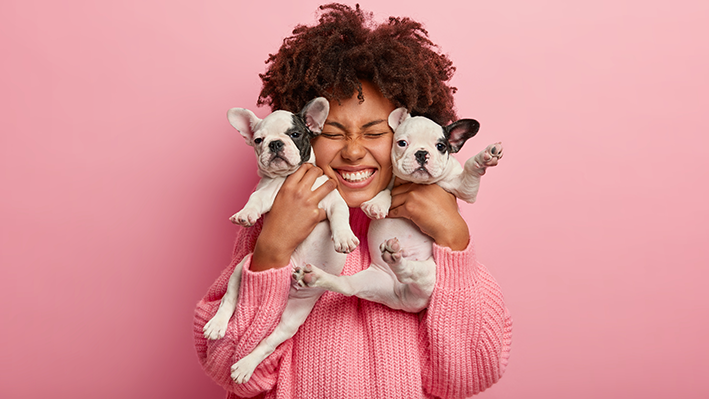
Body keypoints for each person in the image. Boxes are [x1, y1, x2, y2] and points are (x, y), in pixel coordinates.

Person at [194, 4, 512, 398]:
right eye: (333, 132)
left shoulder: (432, 232)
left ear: (405, 131)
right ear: (306, 131)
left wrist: (454, 239)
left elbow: (471, 372)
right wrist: (273, 248)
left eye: (375, 132)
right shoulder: (272, 219)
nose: (354, 151)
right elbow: (229, 369)